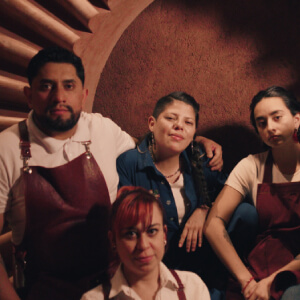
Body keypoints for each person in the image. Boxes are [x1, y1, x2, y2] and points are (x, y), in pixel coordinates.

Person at [0, 47, 223, 300]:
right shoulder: (5, 149)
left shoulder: (102, 129)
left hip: (111, 285)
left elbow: (152, 145)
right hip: (45, 289)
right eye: (46, 86)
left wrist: (195, 142)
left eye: (69, 86)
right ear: (29, 95)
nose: (59, 97)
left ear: (83, 95)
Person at [116, 92, 257, 299]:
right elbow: (125, 219)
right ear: (152, 123)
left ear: (193, 133)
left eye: (188, 122)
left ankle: (223, 284)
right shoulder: (130, 163)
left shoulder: (201, 158)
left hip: (204, 266)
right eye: (171, 118)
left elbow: (232, 197)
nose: (179, 126)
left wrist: (204, 209)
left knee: (246, 212)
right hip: (155, 268)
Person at [204, 86, 300, 300]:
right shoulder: (252, 165)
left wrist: (273, 281)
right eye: (262, 123)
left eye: (277, 117)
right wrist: (245, 279)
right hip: (260, 267)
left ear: (296, 119)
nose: (270, 128)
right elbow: (213, 224)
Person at [81, 186, 211, 300]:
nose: (143, 245)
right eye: (131, 234)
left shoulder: (192, 288)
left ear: (164, 234)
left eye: (152, 231)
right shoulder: (93, 298)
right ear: (113, 240)